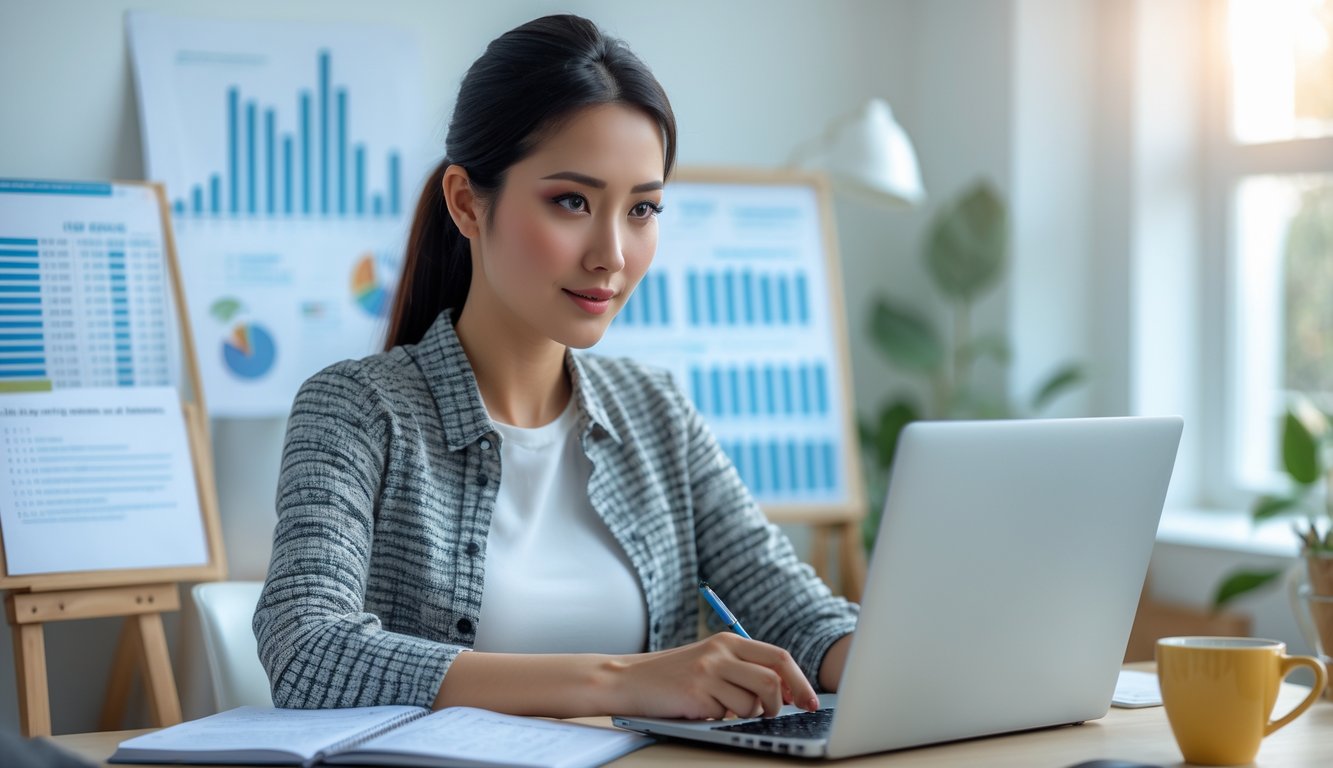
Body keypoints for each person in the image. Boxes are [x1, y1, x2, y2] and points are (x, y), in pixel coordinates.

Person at [253, 13, 857, 721]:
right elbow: (305, 650)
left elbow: (796, 614)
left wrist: (907, 661)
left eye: (642, 208)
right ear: (465, 203)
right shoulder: (357, 409)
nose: (611, 254)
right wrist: (620, 682)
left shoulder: (655, 409)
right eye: (571, 201)